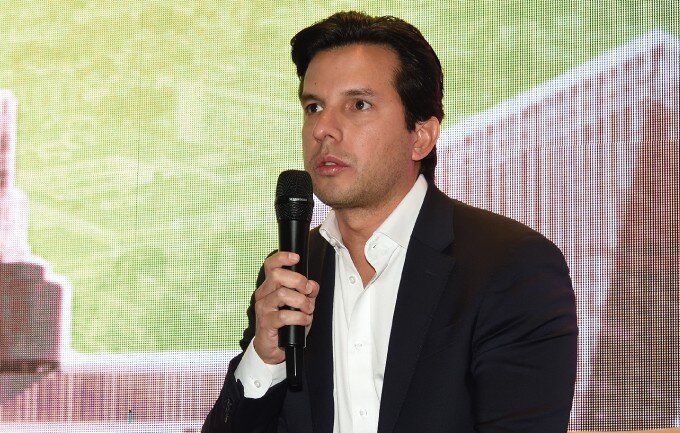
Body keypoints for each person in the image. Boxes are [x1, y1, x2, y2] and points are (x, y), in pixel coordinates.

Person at [203, 11, 577, 433]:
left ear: (421, 136)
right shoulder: (294, 270)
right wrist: (265, 357)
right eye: (313, 107)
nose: (323, 128)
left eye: (358, 105)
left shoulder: (510, 267)